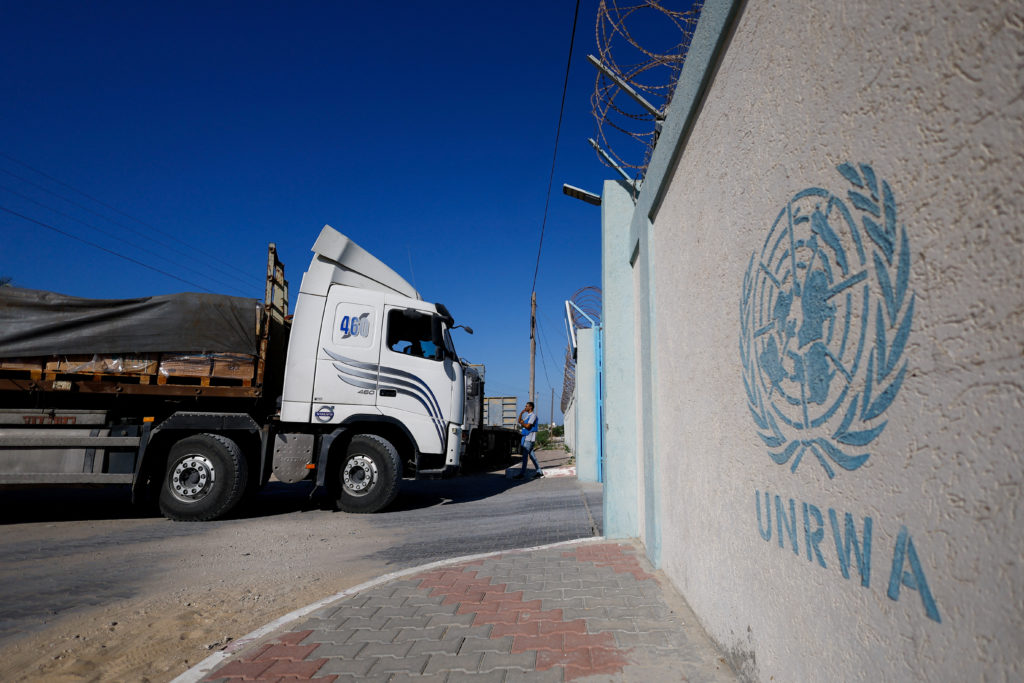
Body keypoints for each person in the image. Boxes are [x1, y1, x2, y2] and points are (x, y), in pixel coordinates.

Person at [513, 401, 543, 479]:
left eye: (526, 406)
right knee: (532, 456)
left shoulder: (533, 416)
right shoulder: (527, 416)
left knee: (525, 457)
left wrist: (523, 423)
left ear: (531, 407)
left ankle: (522, 473)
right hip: (526, 437)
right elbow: (519, 421)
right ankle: (539, 472)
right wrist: (521, 414)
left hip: (529, 438)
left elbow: (528, 426)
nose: (525, 407)